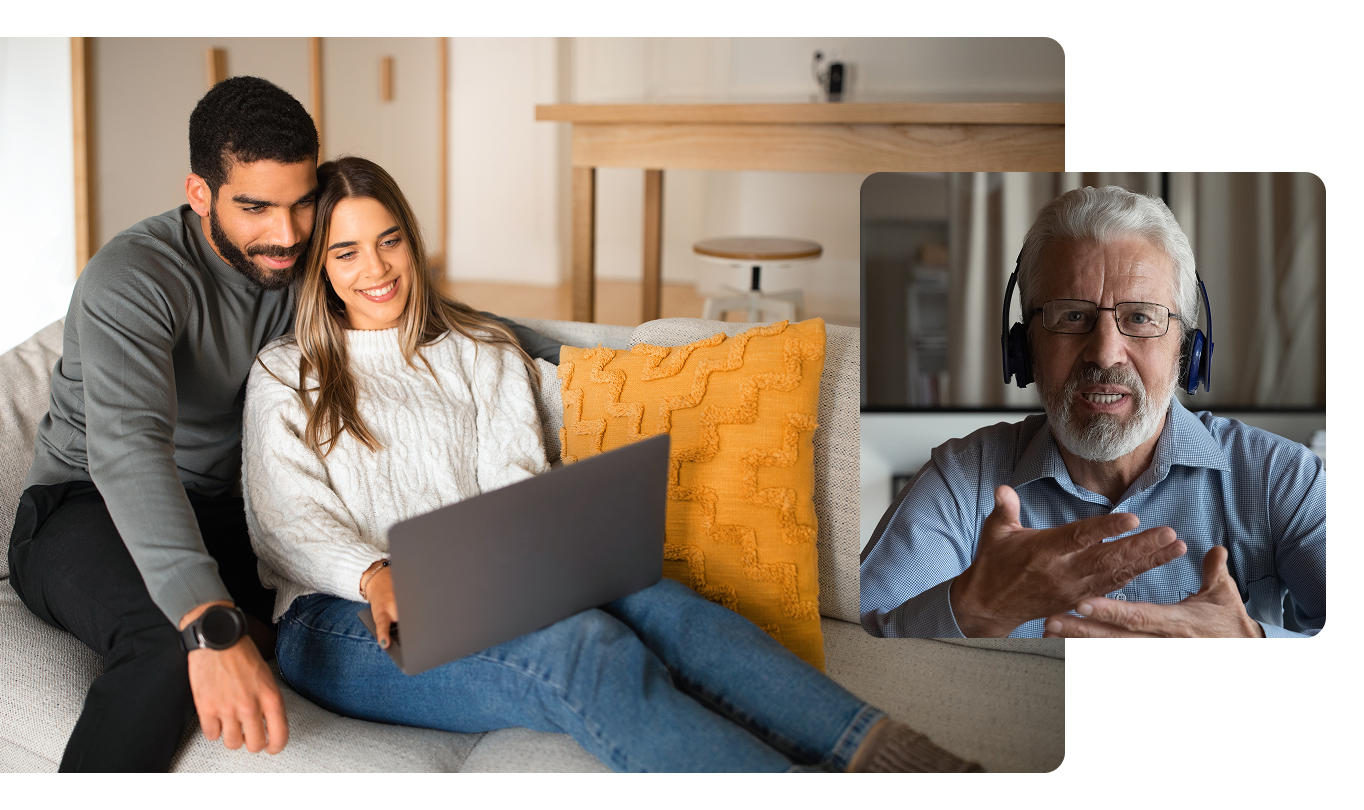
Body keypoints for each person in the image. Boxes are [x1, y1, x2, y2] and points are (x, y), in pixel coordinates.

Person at [242, 156, 982, 772]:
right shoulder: (287, 372)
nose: (376, 268)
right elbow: (283, 523)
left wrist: (527, 556)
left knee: (664, 606)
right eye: (346, 251)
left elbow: (515, 486)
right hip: (337, 625)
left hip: (477, 584)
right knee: (581, 648)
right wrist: (377, 575)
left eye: (390, 240)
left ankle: (905, 757)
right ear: (319, 266)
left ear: (412, 241)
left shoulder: (482, 351)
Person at [6, 76, 560, 773]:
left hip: (230, 508)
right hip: (86, 505)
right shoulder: (132, 278)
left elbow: (436, 315)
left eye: (302, 205)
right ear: (200, 193)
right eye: (256, 207)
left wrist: (607, 361)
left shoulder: (302, 261)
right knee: (166, 645)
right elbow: (128, 451)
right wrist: (209, 620)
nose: (287, 233)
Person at [859, 185, 1325, 639]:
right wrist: (969, 610)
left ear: (1187, 349)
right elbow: (851, 655)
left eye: (1140, 317)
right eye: (1072, 316)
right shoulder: (961, 482)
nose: (1105, 354)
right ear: (1025, 349)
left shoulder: (1283, 480)